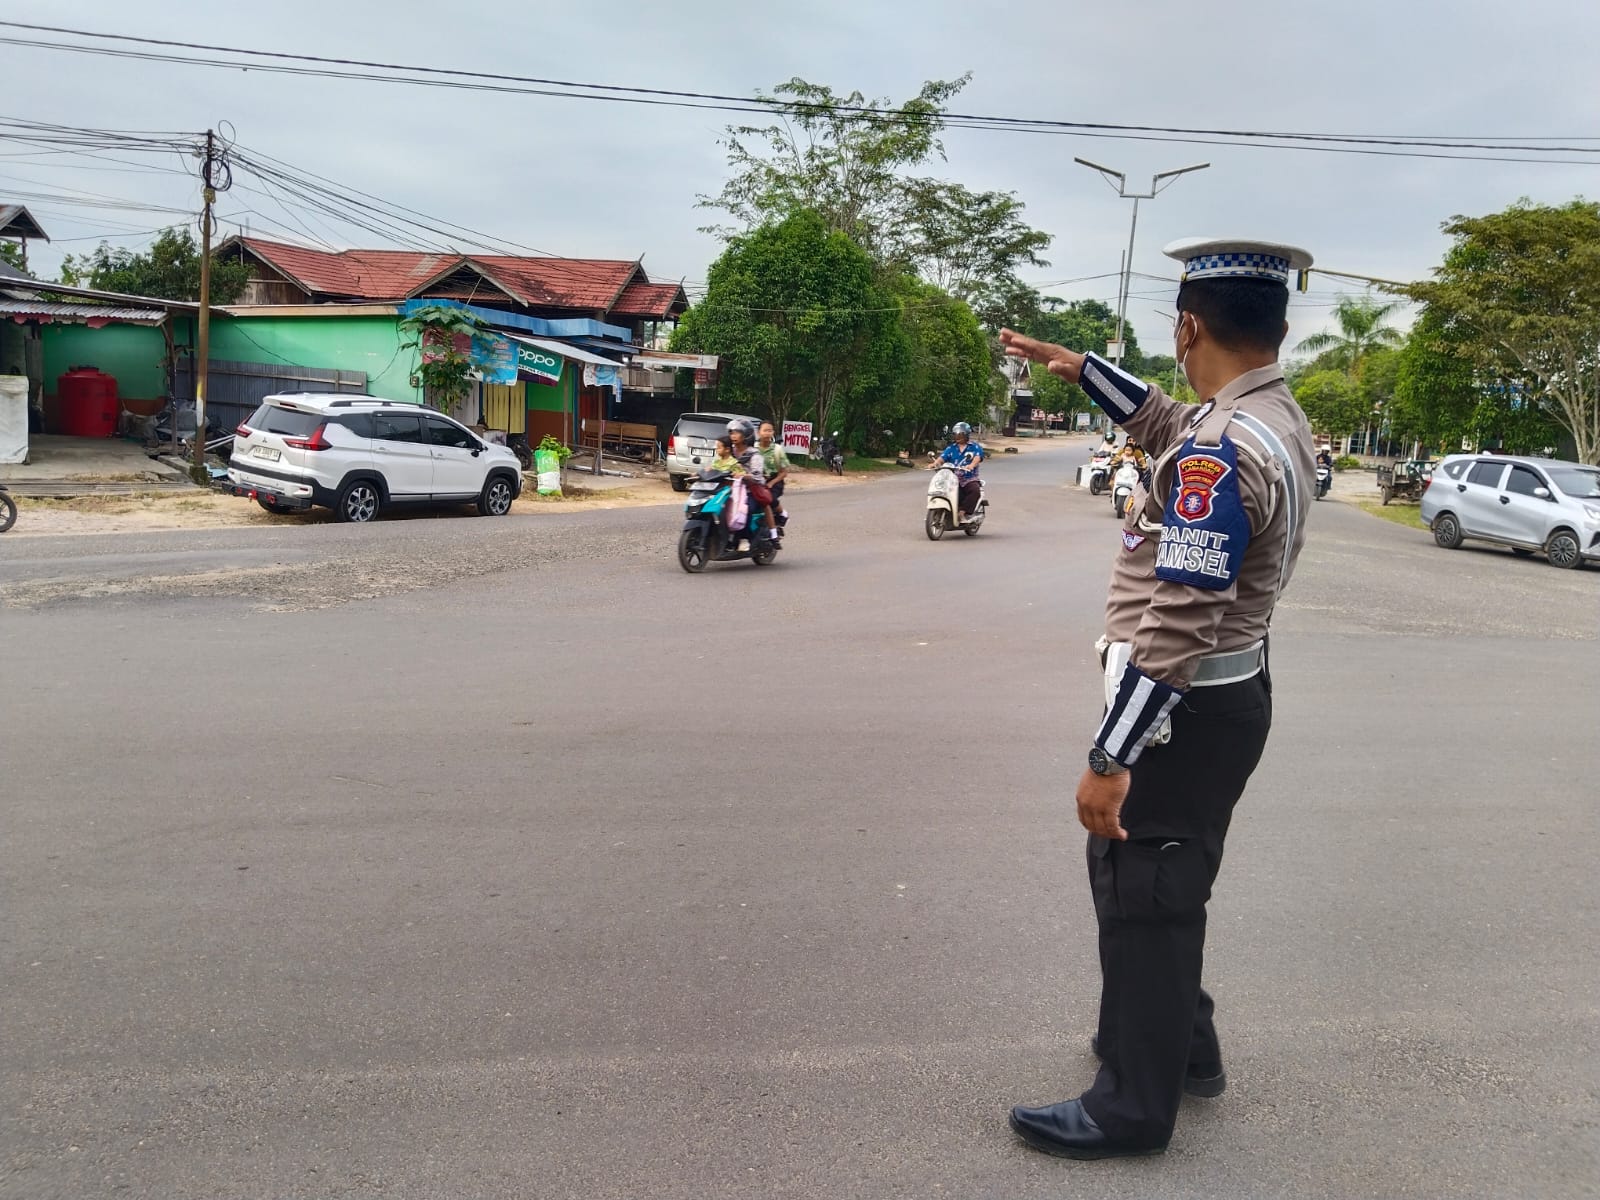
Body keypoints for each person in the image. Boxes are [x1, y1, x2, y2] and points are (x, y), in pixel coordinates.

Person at [998, 237, 1316, 1161]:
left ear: (1186, 327)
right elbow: (1170, 420)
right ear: (1279, 328)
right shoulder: (1272, 416)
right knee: (1162, 885)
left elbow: (1175, 627)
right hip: (1232, 696)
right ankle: (1184, 1049)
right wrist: (1081, 369)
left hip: (1184, 714)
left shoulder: (1220, 453)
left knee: (1148, 889)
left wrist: (1111, 758)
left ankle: (1131, 1108)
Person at [726, 420, 779, 542]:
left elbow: (757, 476)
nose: (733, 436)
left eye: (737, 432)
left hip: (751, 490)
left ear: (746, 435)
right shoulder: (730, 452)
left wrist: (744, 476)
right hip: (732, 489)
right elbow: (718, 465)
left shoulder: (755, 455)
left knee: (745, 509)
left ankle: (744, 538)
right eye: (731, 433)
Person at [938, 422, 985, 515]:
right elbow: (942, 458)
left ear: (966, 435)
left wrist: (971, 465)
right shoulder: (951, 448)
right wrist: (935, 463)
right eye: (956, 434)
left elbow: (977, 457)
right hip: (952, 478)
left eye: (960, 434)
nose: (958, 436)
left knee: (975, 491)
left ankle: (963, 511)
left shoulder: (974, 447)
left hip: (969, 478)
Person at [757, 421, 792, 531]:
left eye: (770, 430)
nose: (767, 433)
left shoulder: (777, 450)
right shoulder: (753, 449)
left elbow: (784, 472)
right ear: (758, 432)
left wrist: (772, 482)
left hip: (775, 481)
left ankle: (782, 513)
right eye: (765, 430)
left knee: (768, 498)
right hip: (758, 480)